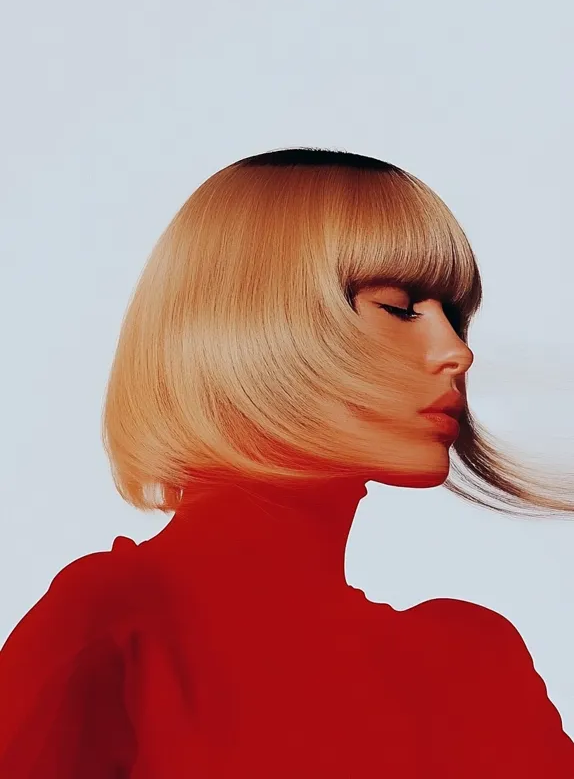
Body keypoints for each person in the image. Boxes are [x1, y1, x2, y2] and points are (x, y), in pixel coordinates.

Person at [1, 147, 573, 777]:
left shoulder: (474, 664)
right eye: (399, 307)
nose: (456, 353)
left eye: (454, 315)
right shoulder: (116, 626)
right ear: (256, 323)